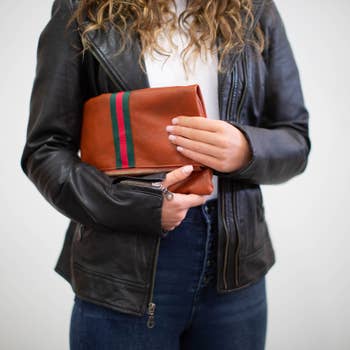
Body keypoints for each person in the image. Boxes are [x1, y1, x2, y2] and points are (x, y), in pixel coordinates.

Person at [20, 0, 311, 349]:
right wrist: (137, 204)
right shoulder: (82, 7)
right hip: (122, 269)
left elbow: (295, 139)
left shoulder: (253, 8)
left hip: (234, 264)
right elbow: (45, 149)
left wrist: (246, 149)